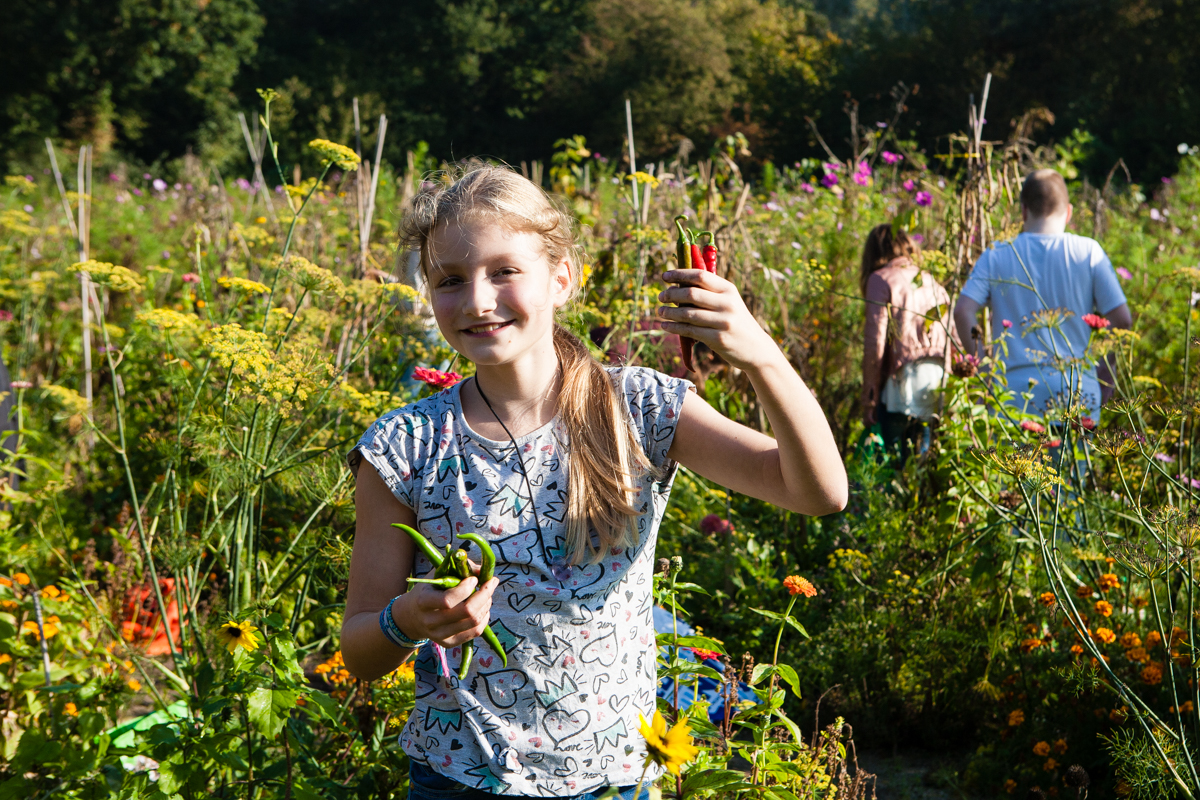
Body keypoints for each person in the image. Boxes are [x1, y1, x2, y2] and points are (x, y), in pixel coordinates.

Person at [340, 165, 847, 799]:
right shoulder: (405, 446)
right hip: (461, 781)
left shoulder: (640, 409)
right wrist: (405, 620)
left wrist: (761, 357)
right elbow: (359, 650)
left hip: (614, 781)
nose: (477, 299)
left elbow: (818, 492)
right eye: (449, 280)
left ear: (562, 276)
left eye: (504, 271)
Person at [953, 169, 1132, 423]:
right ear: (1068, 212)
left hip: (1014, 392)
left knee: (1015, 462)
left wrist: (983, 366)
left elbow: (962, 311)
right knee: (1075, 462)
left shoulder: (997, 253)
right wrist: (1105, 370)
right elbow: (1122, 319)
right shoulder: (1088, 251)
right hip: (1076, 388)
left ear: (1024, 211)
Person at [860, 224, 958, 460]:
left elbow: (876, 342)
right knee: (924, 458)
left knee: (897, 460)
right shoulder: (932, 281)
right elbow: (953, 337)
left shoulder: (880, 279)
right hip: (938, 377)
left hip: (903, 381)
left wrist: (870, 393)